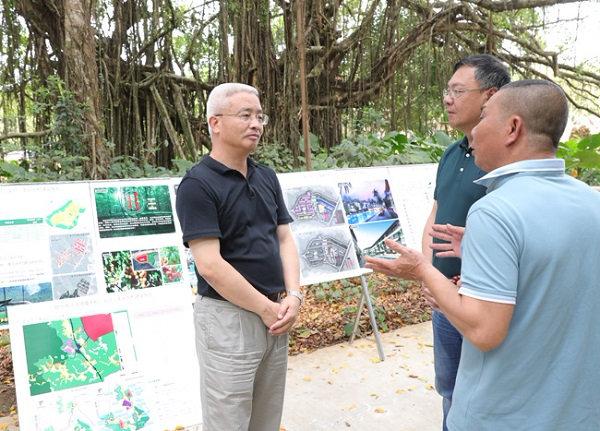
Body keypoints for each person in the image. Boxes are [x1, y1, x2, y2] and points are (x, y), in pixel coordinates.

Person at [366, 80, 600, 430]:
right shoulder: (590, 200)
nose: (473, 133)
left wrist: (422, 270)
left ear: (512, 128)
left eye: (483, 118)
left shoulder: (495, 211)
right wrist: (482, 248)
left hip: (504, 415)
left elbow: (484, 329)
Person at [175, 83, 302, 431]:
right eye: (245, 115)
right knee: (227, 420)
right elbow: (210, 266)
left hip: (276, 314)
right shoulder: (197, 185)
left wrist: (293, 295)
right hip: (228, 318)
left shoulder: (266, 176)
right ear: (215, 123)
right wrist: (265, 307)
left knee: (266, 417)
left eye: (260, 116)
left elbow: (284, 238)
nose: (256, 124)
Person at [421, 54, 510, 430]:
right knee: (450, 389)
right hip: (443, 300)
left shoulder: (504, 159)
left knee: (485, 395)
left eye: (458, 90)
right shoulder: (450, 153)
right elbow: (437, 212)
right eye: (447, 90)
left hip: (486, 301)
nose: (448, 98)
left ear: (490, 97)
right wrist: (427, 274)